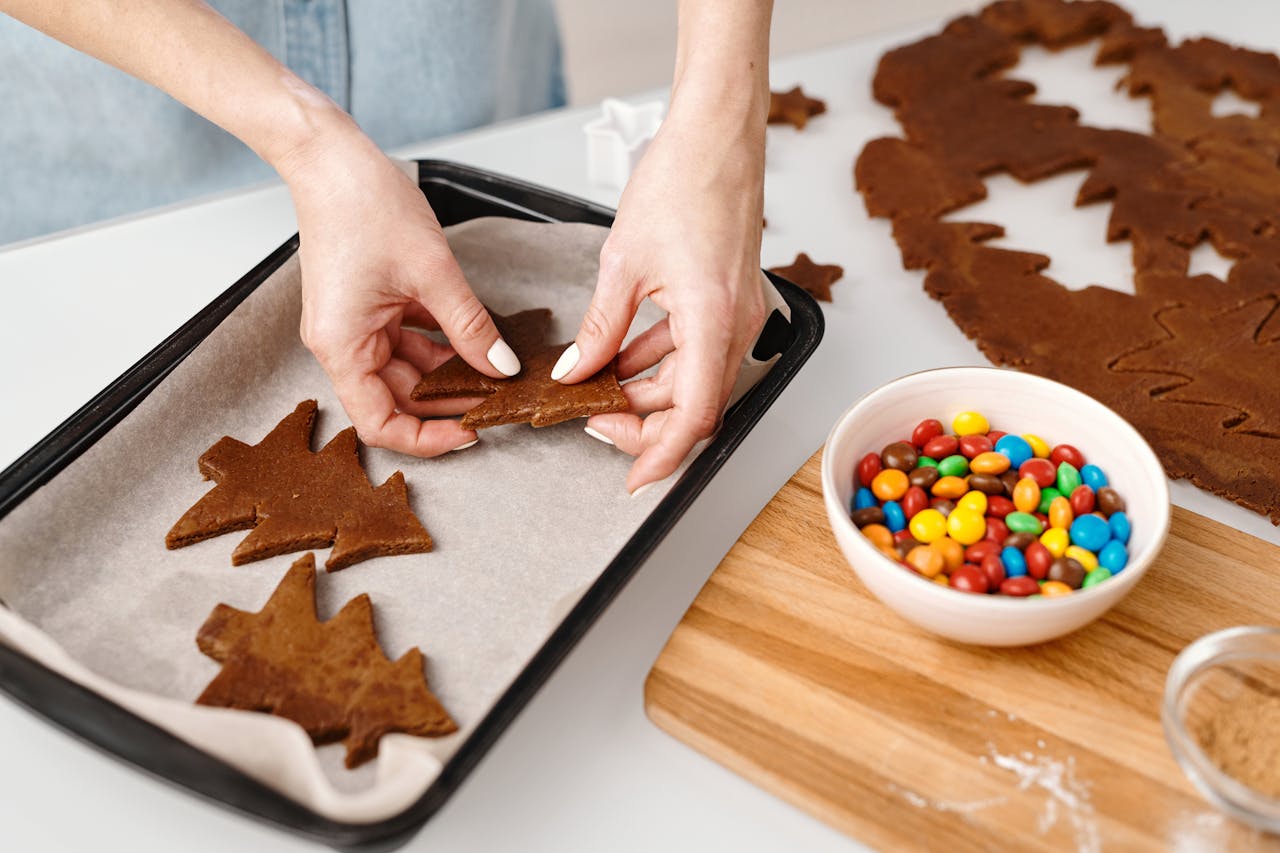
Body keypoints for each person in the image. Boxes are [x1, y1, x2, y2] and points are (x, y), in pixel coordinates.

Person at [1, 0, 771, 494]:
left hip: (465, 76)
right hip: (133, 157)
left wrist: (720, 126)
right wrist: (304, 139)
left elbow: (717, 123)